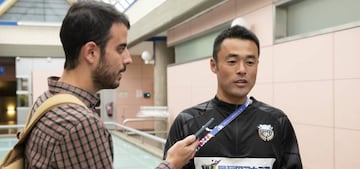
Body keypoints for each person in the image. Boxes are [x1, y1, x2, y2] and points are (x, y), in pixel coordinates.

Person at [24, 1, 198, 169]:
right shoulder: (81, 124)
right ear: (91, 53)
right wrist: (171, 164)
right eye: (120, 49)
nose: (128, 59)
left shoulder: (46, 101)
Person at [163, 25, 302, 169]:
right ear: (213, 65)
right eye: (232, 62)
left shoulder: (277, 121)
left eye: (250, 62)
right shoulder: (188, 122)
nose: (242, 70)